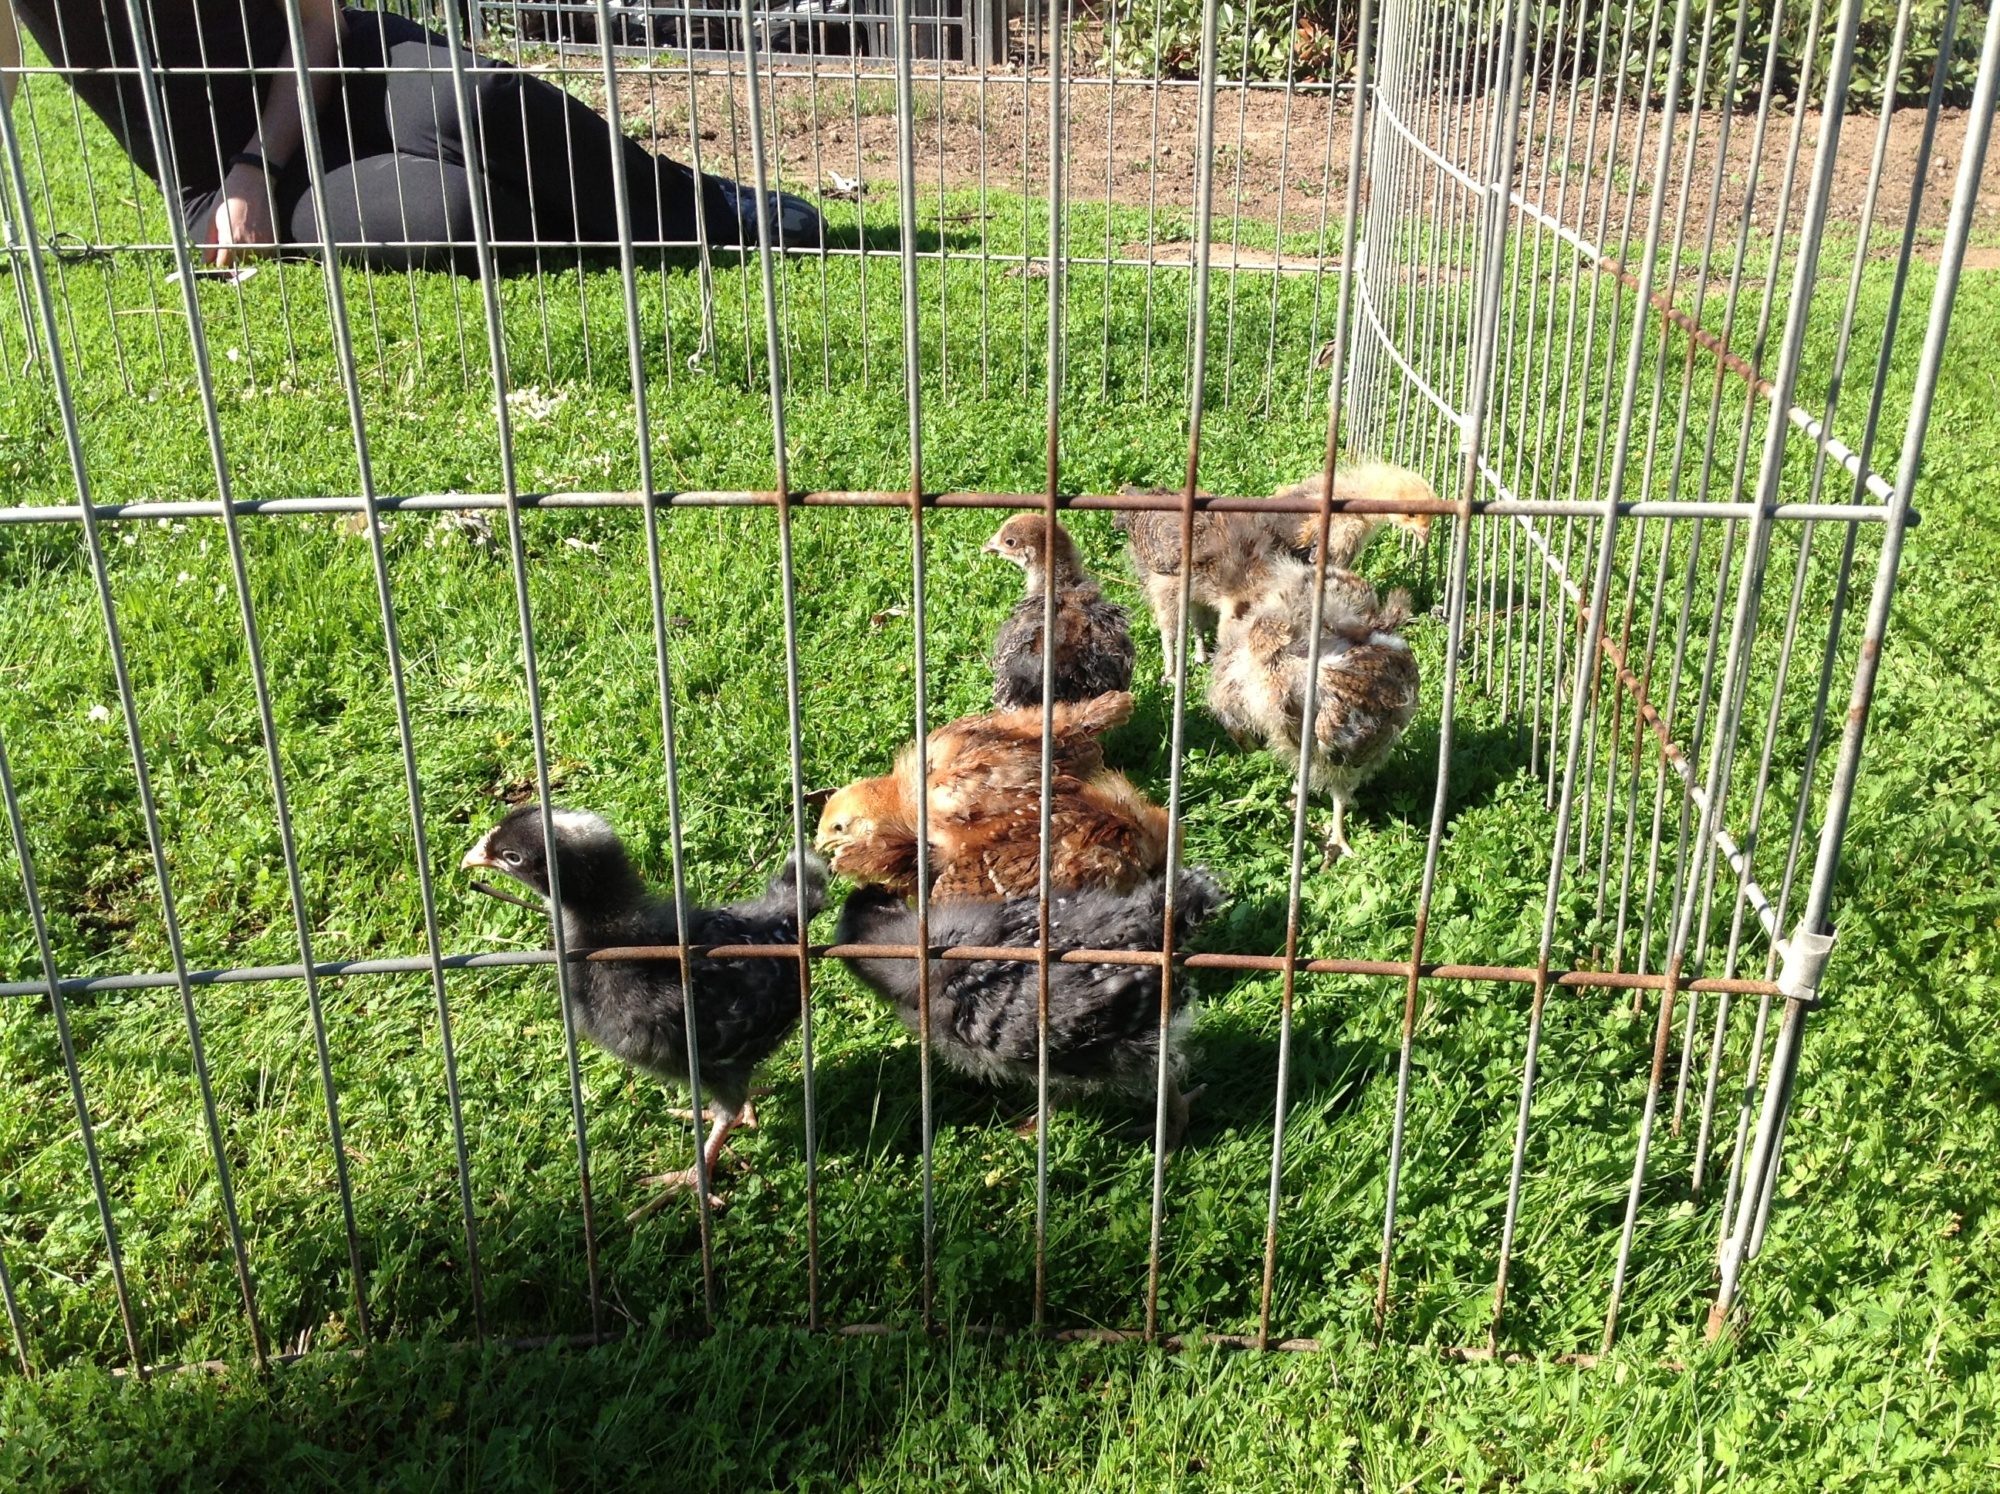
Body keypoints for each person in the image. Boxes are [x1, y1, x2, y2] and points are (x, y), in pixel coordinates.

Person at [0, 0, 823, 274]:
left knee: (486, 101)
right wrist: (244, 181)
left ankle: (706, 210)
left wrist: (260, 158)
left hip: (344, 68)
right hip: (230, 189)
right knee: (464, 211)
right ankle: (632, 228)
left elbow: (317, 24)